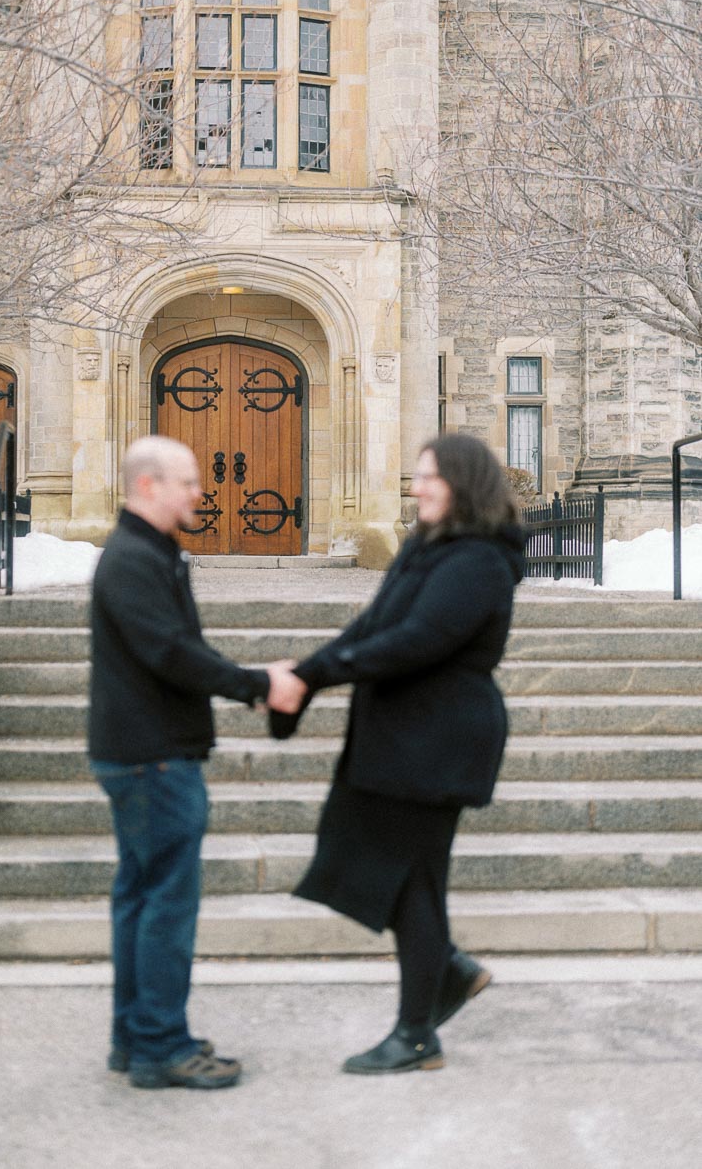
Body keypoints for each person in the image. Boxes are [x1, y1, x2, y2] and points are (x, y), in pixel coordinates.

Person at [271, 433, 526, 1074]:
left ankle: (418, 1032)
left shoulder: (478, 560)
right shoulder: (427, 549)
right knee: (403, 874)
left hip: (440, 737)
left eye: (430, 477)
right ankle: (447, 970)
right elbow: (373, 625)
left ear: (463, 483)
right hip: (403, 734)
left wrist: (315, 677)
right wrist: (308, 670)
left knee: (410, 878)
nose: (417, 487)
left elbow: (417, 641)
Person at [89, 435, 299, 1091]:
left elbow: (174, 648)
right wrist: (258, 684)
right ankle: (159, 1045)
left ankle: (136, 1035)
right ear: (149, 485)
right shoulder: (131, 559)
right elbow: (171, 653)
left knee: (141, 900)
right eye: (187, 482)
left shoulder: (150, 552)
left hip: (145, 752)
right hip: (152, 758)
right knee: (166, 907)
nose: (199, 493)